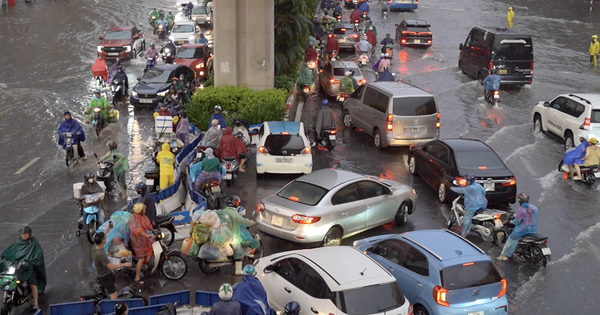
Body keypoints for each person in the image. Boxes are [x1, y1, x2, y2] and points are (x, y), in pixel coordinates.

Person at [0, 227, 47, 310]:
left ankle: (36, 303)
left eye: (25, 234)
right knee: (10, 279)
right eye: (22, 234)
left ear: (29, 234)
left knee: (32, 284)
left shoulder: (34, 243)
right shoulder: (18, 243)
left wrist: (29, 262)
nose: (24, 236)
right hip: (19, 266)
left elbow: (38, 254)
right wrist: (4, 258)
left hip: (29, 267)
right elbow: (11, 251)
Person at [498, 193, 539, 261]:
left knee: (511, 240)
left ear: (519, 201)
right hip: (531, 228)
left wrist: (511, 222)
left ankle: (504, 255)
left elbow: (517, 221)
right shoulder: (533, 208)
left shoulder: (520, 210)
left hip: (522, 229)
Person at [93, 231, 132, 300]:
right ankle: (113, 306)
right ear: (102, 241)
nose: (106, 238)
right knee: (114, 294)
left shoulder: (95, 247)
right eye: (105, 238)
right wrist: (123, 264)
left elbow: (102, 236)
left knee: (114, 285)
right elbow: (111, 266)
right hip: (104, 276)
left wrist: (108, 228)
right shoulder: (101, 254)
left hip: (108, 273)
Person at [129, 203, 156, 284]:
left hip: (144, 238)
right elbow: (138, 231)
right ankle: (137, 277)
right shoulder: (133, 218)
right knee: (141, 258)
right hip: (138, 241)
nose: (144, 210)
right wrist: (148, 235)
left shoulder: (142, 216)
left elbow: (147, 224)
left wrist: (154, 230)